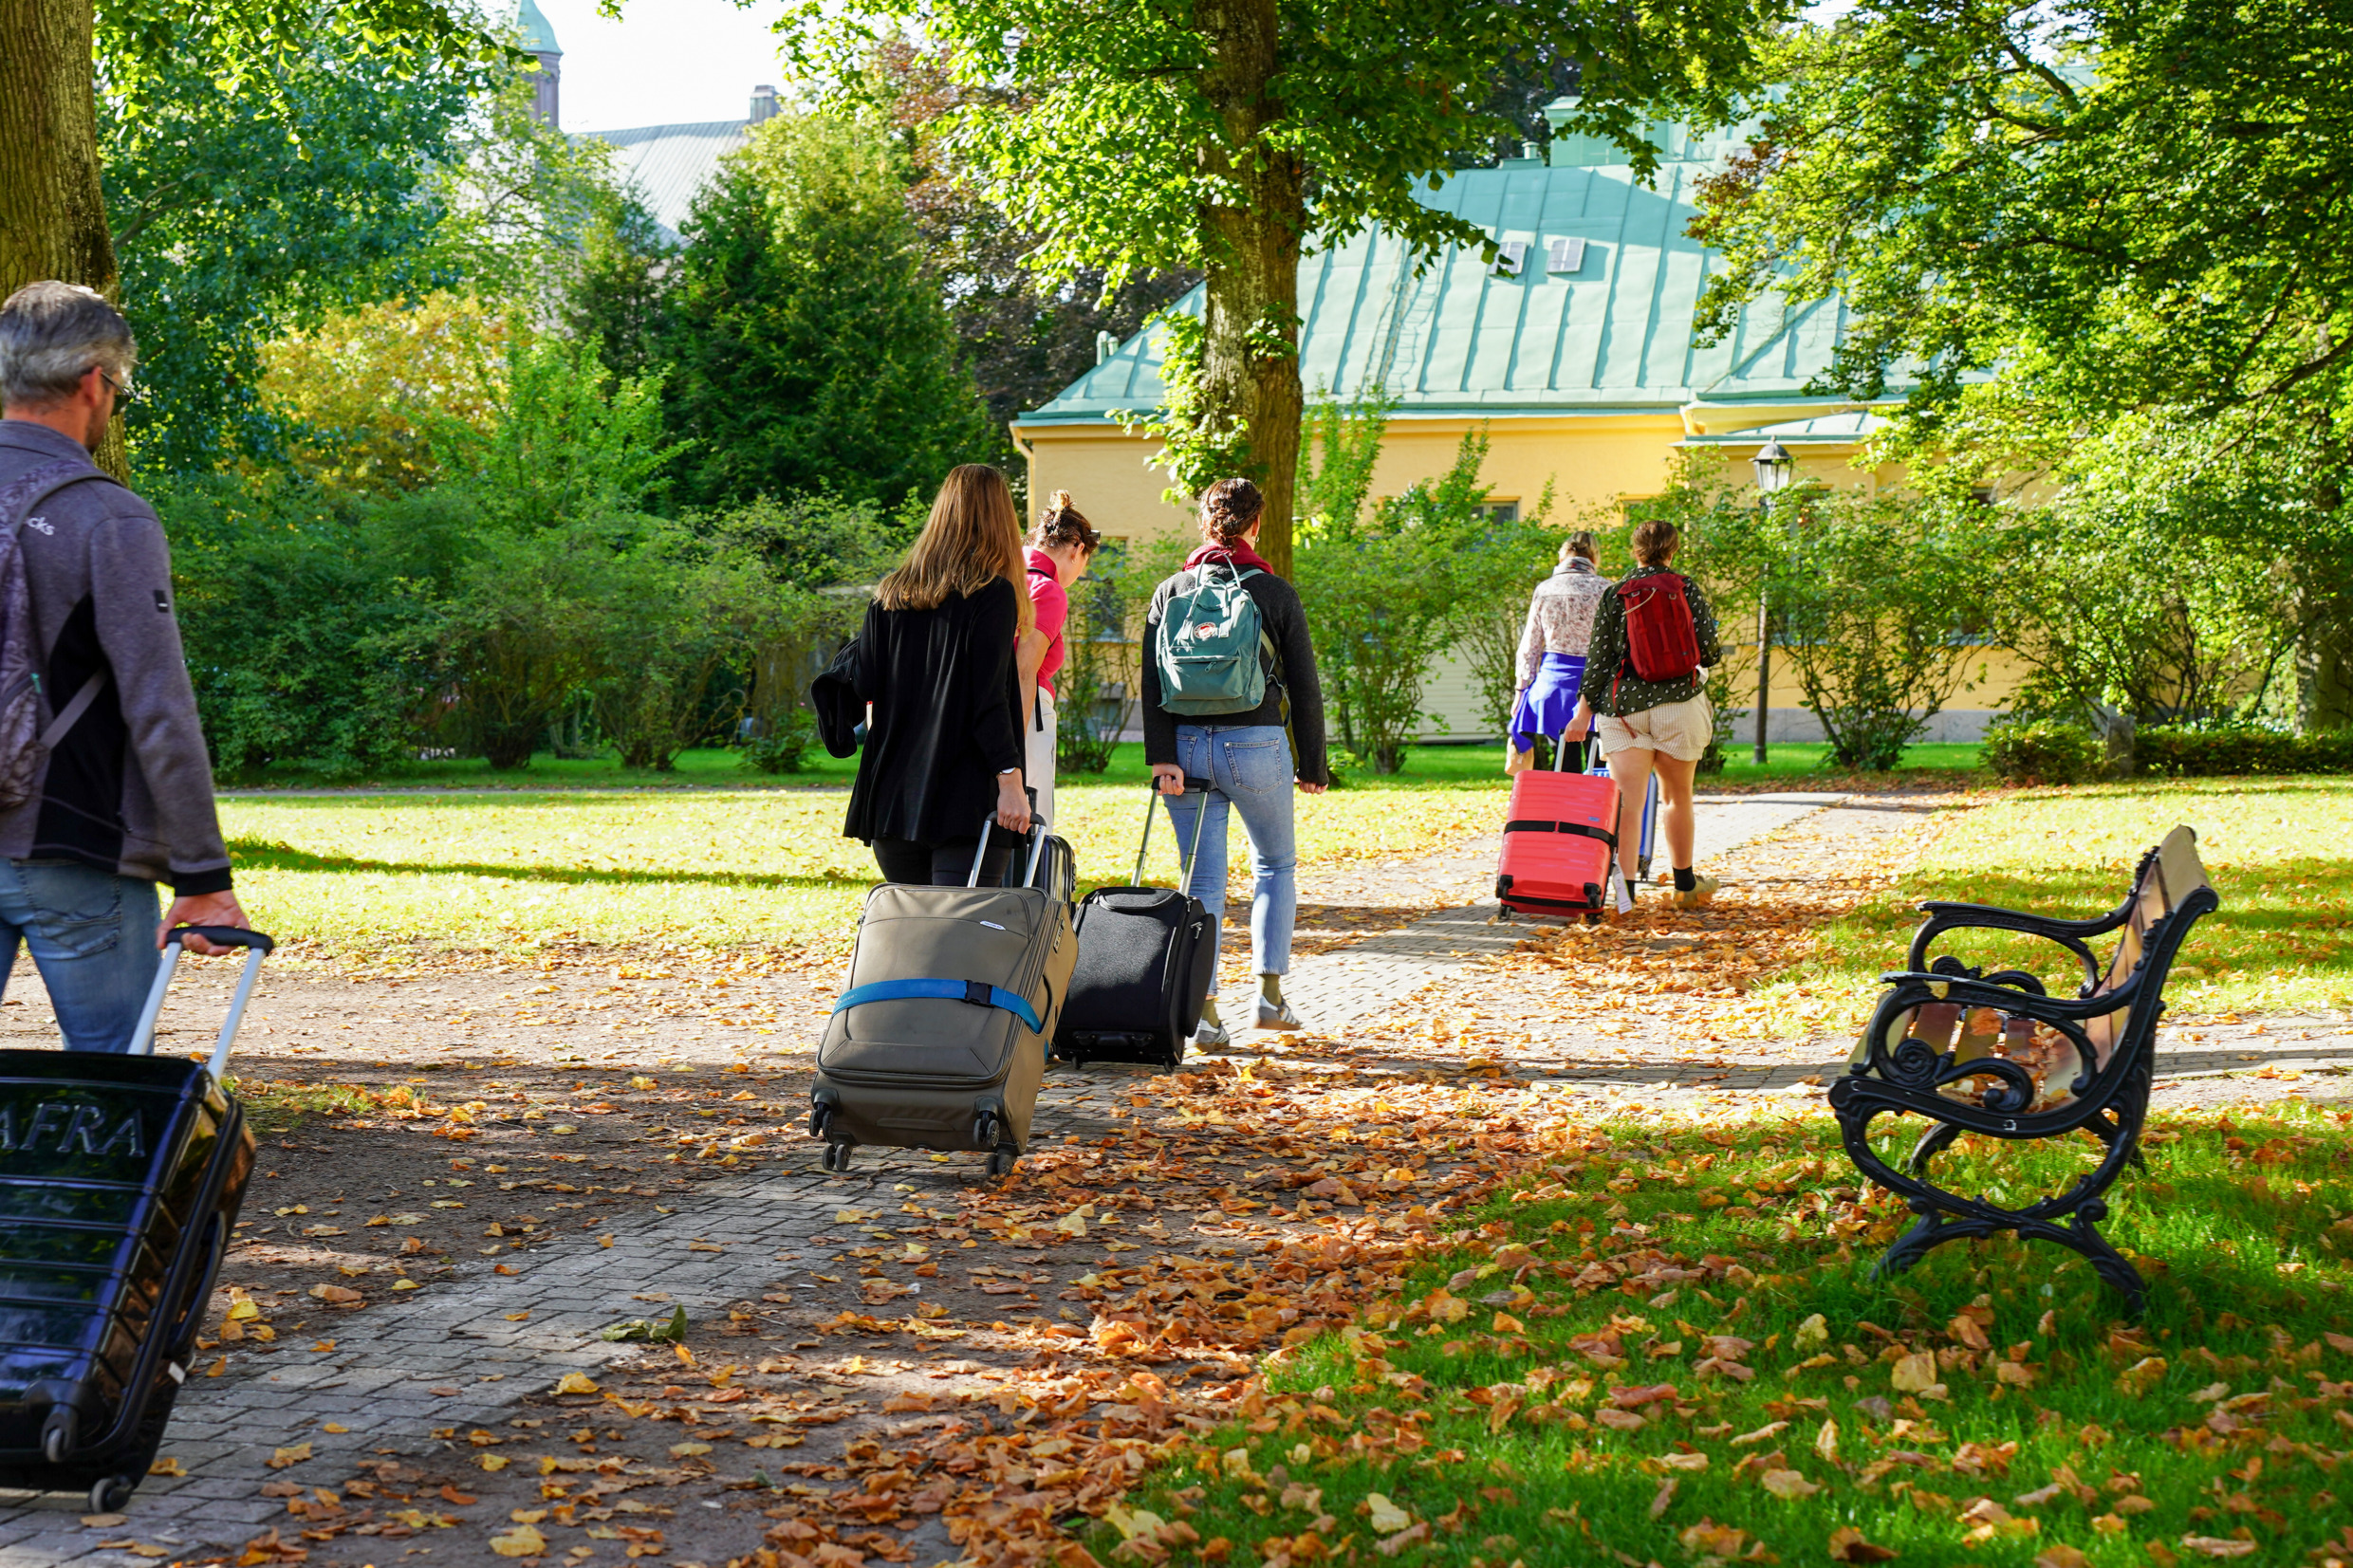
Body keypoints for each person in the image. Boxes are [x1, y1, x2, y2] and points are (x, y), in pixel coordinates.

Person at [0, 281, 250, 1051]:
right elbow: (158, 703)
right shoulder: (106, 516)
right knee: (112, 1093)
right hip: (74, 840)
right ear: (90, 383)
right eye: (117, 387)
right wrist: (203, 878)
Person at [1140, 478, 1327, 1049]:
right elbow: (1304, 686)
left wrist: (1161, 758)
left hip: (1188, 750)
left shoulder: (1171, 590)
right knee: (1274, 866)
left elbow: (1151, 684)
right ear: (1257, 525)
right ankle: (1269, 998)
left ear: (1204, 524)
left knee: (1202, 882)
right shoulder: (1274, 592)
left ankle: (1204, 1011)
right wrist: (1313, 763)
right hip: (1257, 745)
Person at [840, 465, 1032, 886]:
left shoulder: (889, 592)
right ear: (1000, 519)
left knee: (913, 938)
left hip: (893, 793)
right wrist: (1012, 783)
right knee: (961, 938)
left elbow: (865, 684)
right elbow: (988, 700)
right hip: (964, 796)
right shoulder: (992, 594)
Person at [1579, 517, 1722, 908]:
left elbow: (1598, 662)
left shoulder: (1616, 593)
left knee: (1629, 803)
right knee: (1678, 798)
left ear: (1634, 550)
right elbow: (1710, 650)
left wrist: (1582, 713)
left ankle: (1625, 897)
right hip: (1679, 705)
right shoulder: (1686, 588)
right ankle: (1685, 886)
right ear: (1673, 550)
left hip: (1624, 710)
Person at [1017, 490, 1102, 831]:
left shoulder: (989, 576)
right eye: (1084, 564)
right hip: (1026, 713)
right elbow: (1024, 671)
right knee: (1033, 820)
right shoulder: (1046, 589)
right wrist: (1010, 758)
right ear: (1077, 549)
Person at [1508, 530, 1607, 769]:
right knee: (1600, 765)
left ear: (1562, 556)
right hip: (1598, 688)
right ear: (1594, 558)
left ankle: (1565, 804)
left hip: (1553, 688)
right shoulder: (1607, 589)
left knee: (1563, 761)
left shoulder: (1545, 589)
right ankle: (1602, 806)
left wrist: (1520, 693)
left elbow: (1529, 647)